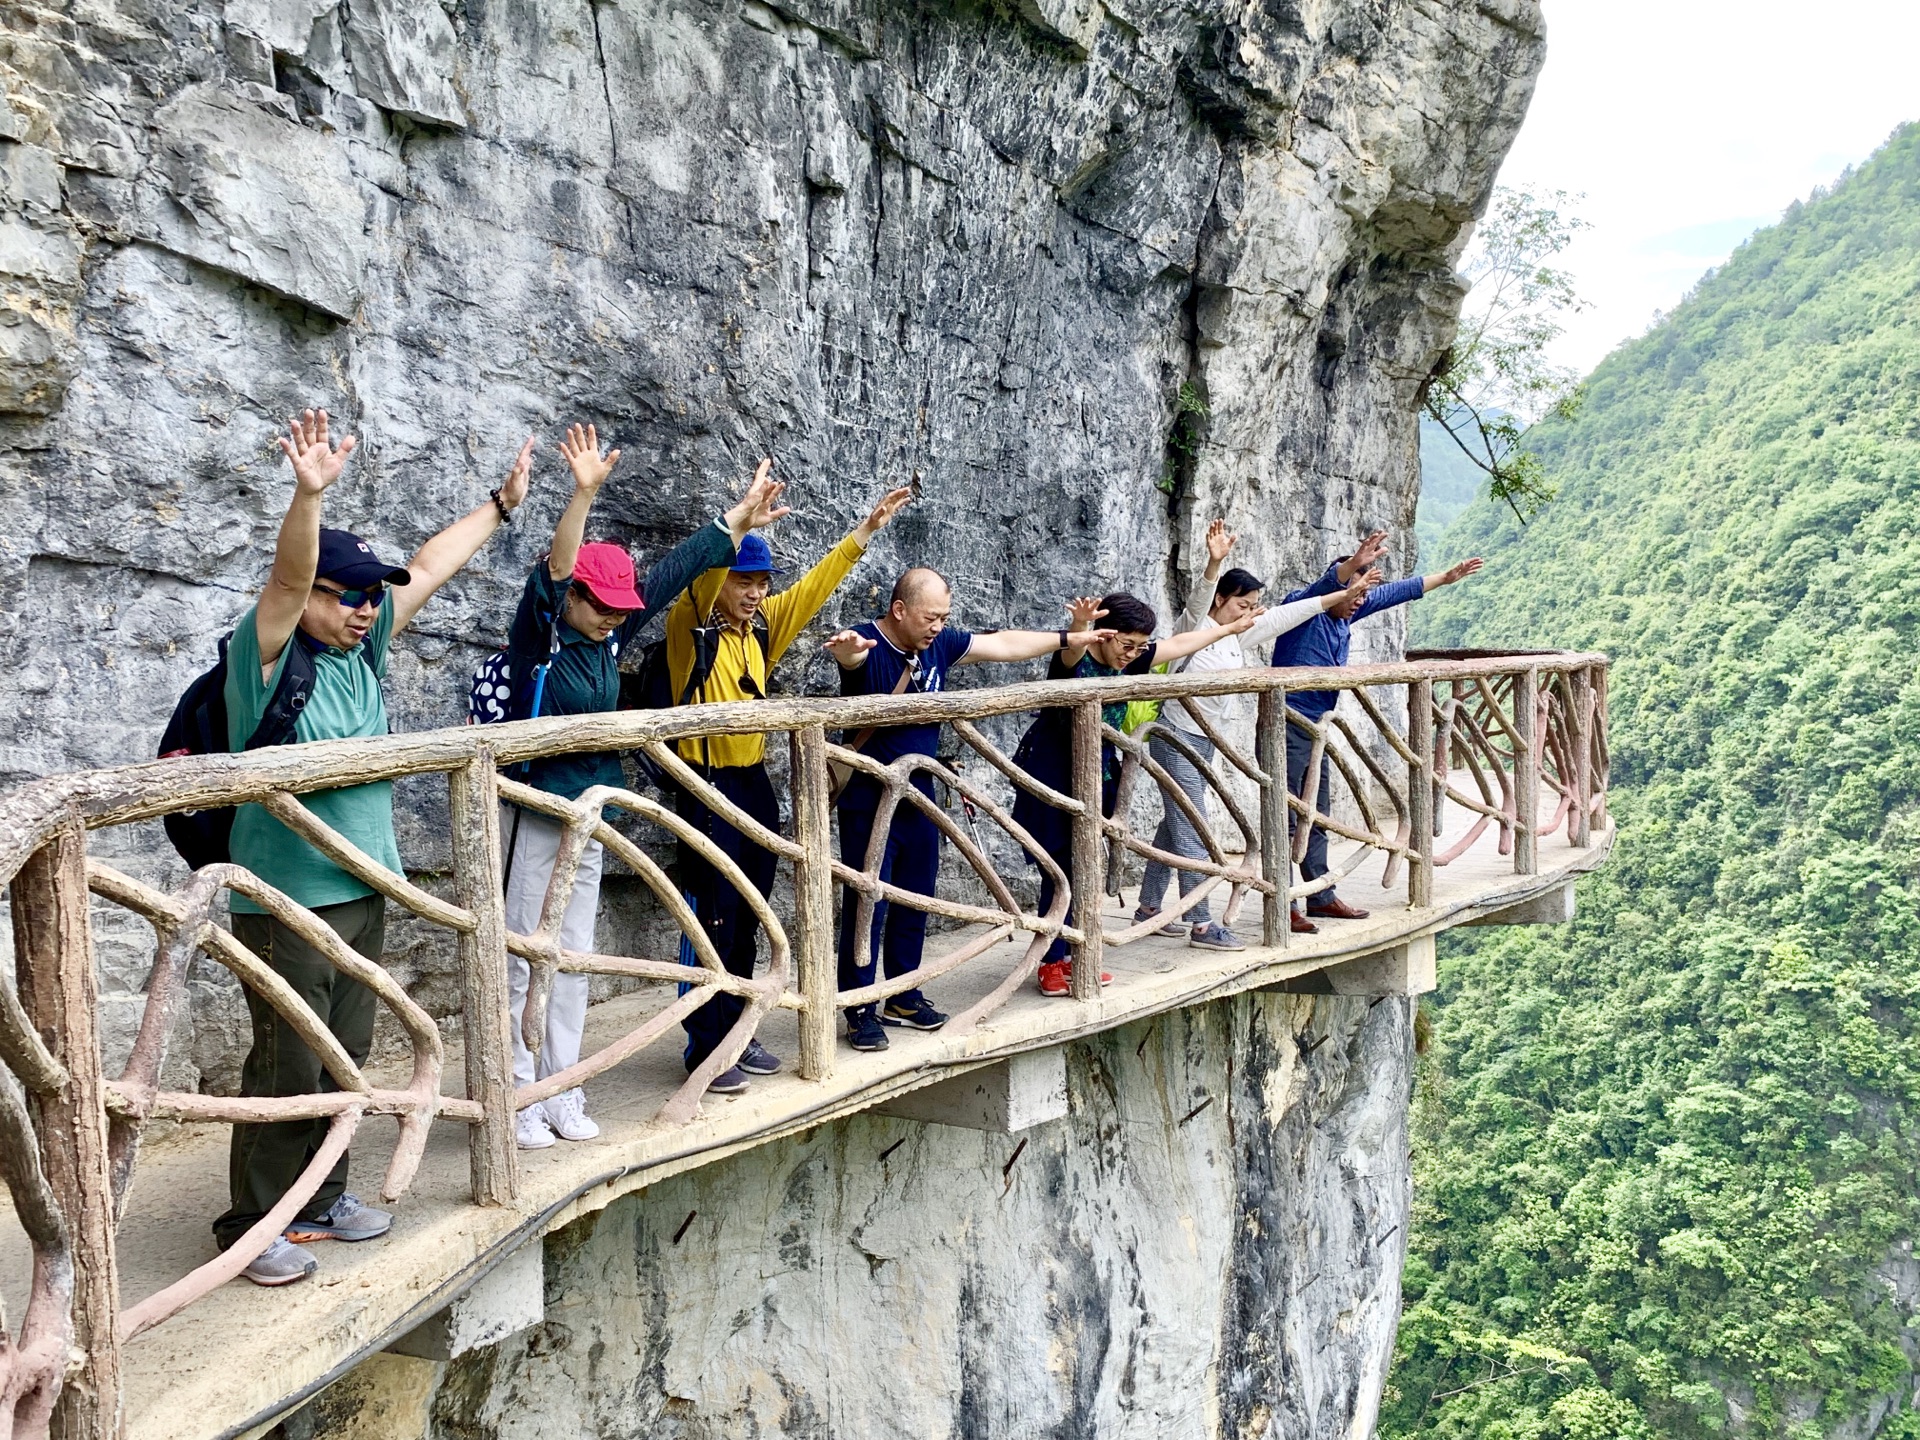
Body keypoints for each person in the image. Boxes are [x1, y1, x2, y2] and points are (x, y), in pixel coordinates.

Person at [216, 408, 533, 1287]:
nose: (363, 608)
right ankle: (254, 1223)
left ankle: (323, 1196)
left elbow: (428, 565)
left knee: (347, 1053)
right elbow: (284, 581)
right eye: (346, 594)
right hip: (283, 897)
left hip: (360, 889)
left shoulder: (361, 652)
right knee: (286, 1061)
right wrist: (306, 496)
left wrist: (500, 508)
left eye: (367, 598)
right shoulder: (269, 653)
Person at [501, 427, 792, 1150]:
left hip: (591, 814)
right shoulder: (544, 637)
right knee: (521, 959)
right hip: (537, 813)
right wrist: (584, 492)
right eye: (598, 604)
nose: (612, 615)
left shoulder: (605, 638)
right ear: (569, 599)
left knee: (570, 959)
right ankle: (517, 1092)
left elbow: (674, 572)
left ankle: (561, 1085)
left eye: (619, 609)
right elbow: (560, 565)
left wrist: (736, 521)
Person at [665, 484, 914, 1094]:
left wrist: (864, 533)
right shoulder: (689, 624)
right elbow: (696, 581)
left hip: (751, 781)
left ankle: (740, 1026)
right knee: (711, 917)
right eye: (742, 580)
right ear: (717, 581)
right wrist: (733, 526)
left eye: (761, 582)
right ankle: (704, 1046)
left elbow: (810, 591)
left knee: (749, 913)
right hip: (704, 784)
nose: (755, 593)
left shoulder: (758, 630)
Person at [823, 570, 1119, 1051]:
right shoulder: (870, 642)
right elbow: (852, 660)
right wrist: (848, 654)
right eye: (929, 617)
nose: (938, 626)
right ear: (899, 610)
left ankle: (902, 993)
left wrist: (1069, 637)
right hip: (870, 800)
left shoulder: (937, 645)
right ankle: (858, 1007)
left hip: (922, 796)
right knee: (867, 902)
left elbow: (1002, 644)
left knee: (915, 897)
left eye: (944, 617)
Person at [1134, 519, 1378, 948]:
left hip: (1202, 739)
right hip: (1174, 736)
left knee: (1176, 824)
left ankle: (1150, 907)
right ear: (1221, 600)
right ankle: (1202, 923)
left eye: (1252, 606)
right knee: (1193, 824)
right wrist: (1214, 563)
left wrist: (1346, 593)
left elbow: (1294, 612)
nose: (1248, 613)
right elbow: (1199, 599)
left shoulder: (1235, 639)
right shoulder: (1193, 628)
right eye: (1240, 605)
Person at [1008, 592, 1262, 996]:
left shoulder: (1133, 656)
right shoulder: (1081, 656)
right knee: (1059, 868)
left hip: (1098, 771)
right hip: (1051, 772)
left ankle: (1074, 954)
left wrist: (1229, 628)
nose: (1133, 654)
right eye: (1126, 644)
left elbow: (1178, 645)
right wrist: (1079, 628)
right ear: (1105, 635)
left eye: (1140, 646)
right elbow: (1069, 655)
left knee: (1083, 864)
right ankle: (1052, 962)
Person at [1268, 529, 1485, 925]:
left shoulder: (1350, 608)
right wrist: (1352, 567)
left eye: (1362, 597)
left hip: (1316, 724)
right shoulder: (1304, 607)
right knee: (1287, 812)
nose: (1358, 604)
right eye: (1352, 595)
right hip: (1287, 722)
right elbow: (1328, 586)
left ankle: (1318, 894)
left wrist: (1445, 578)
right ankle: (1285, 903)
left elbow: (1398, 591)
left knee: (1317, 811)